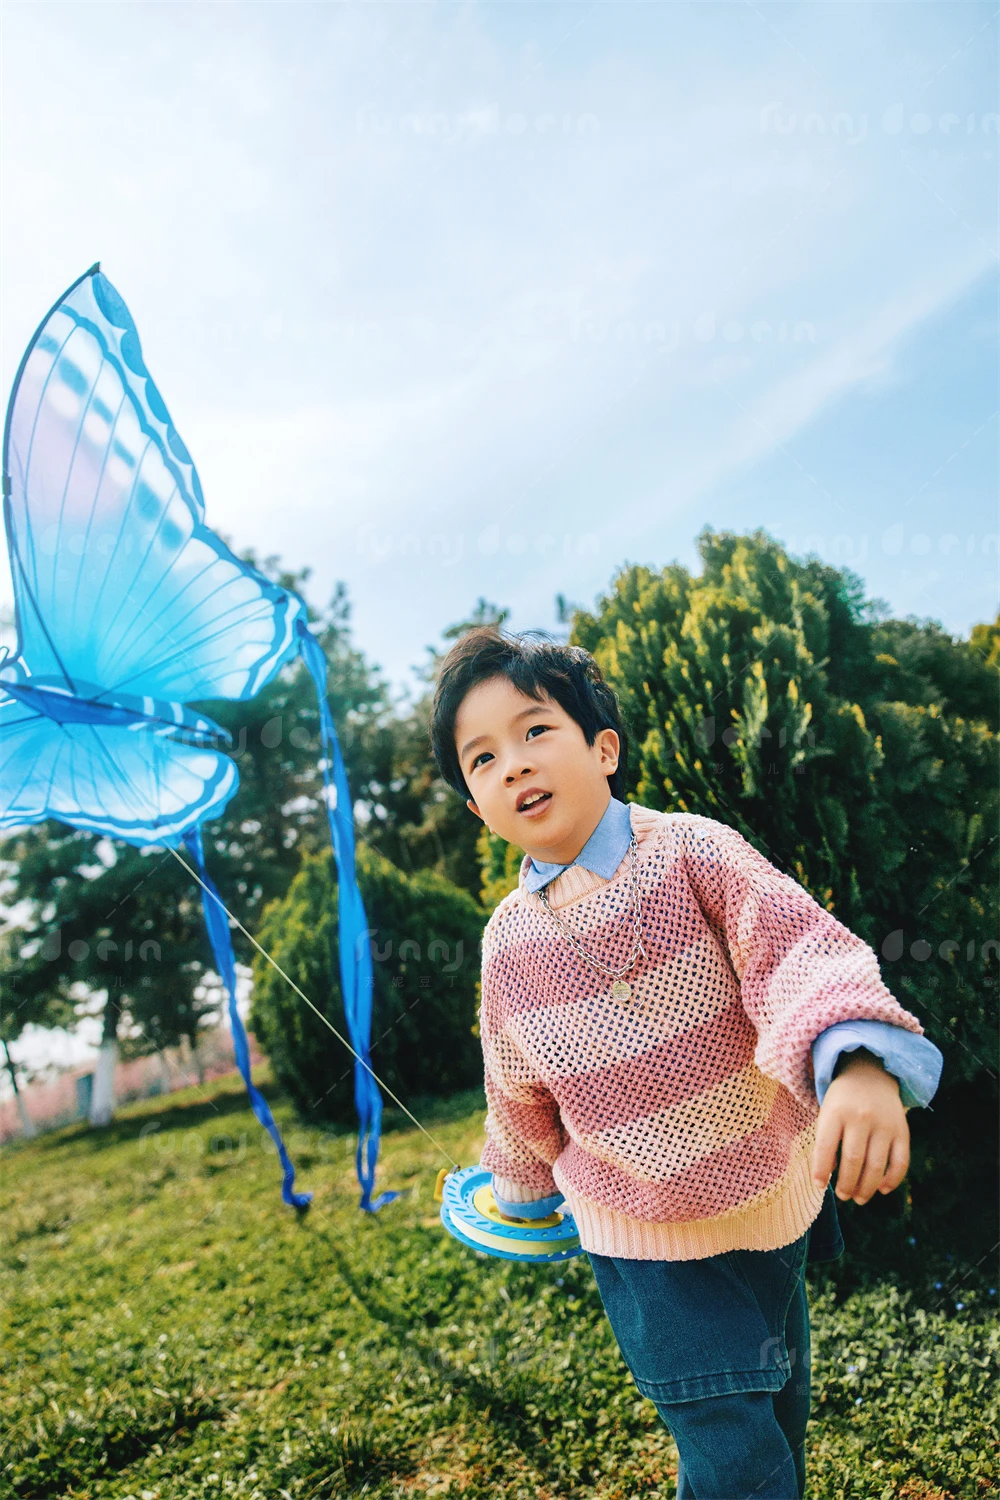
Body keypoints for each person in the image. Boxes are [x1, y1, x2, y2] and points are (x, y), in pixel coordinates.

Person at [430, 626, 943, 1500]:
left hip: (768, 1198)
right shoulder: (507, 943)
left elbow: (795, 953)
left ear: (604, 748)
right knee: (728, 1443)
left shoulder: (690, 852)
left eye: (534, 732)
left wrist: (855, 1059)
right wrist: (514, 1193)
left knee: (776, 1407)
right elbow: (514, 1086)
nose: (512, 765)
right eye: (481, 759)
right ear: (477, 807)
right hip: (643, 1240)